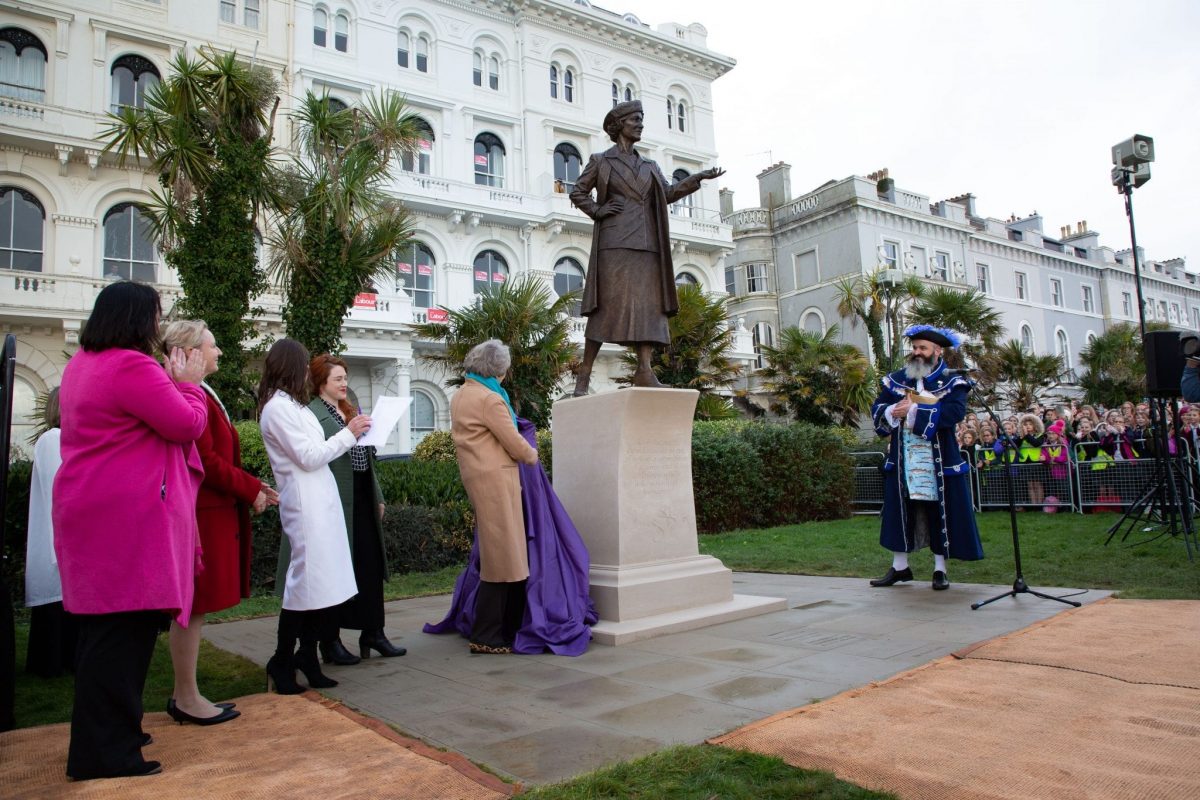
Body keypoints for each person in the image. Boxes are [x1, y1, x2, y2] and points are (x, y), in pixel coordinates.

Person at [54, 281, 207, 780]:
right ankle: (108, 754)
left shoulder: (82, 363)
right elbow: (185, 424)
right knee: (124, 635)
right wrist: (189, 383)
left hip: (88, 509)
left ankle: (108, 737)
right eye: (156, 315)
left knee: (103, 635)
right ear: (138, 318)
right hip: (126, 519)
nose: (159, 325)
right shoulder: (131, 365)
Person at [160, 321, 277, 726]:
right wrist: (249, 488)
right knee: (191, 608)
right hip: (202, 516)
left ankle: (185, 693)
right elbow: (207, 462)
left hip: (213, 513)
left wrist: (251, 487)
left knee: (197, 609)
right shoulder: (186, 393)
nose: (219, 353)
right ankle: (186, 697)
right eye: (212, 346)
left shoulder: (203, 393)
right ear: (190, 352)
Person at [568, 99, 724, 395]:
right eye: (634, 119)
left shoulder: (649, 165)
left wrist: (697, 179)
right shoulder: (601, 161)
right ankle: (584, 375)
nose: (640, 124)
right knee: (606, 308)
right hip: (614, 245)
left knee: (649, 309)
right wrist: (598, 210)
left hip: (648, 245)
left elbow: (666, 194)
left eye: (642, 119)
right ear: (618, 126)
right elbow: (578, 191)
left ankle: (644, 370)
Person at [258, 339, 370, 693]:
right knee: (304, 584)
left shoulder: (297, 406)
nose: (308, 371)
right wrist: (348, 435)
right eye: (303, 364)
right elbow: (308, 456)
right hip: (304, 503)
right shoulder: (277, 409)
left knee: (322, 584)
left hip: (321, 499)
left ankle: (306, 654)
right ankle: (282, 658)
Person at [869, 325, 983, 591]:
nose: (917, 353)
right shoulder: (897, 380)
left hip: (938, 461)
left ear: (937, 351)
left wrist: (914, 411)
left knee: (938, 512)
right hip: (903, 460)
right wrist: (892, 411)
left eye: (923, 348)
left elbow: (953, 413)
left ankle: (940, 569)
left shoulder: (953, 381)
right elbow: (879, 406)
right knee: (901, 512)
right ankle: (900, 567)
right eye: (915, 347)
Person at [307, 355, 405, 664]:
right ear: (321, 381)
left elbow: (367, 456)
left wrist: (377, 495)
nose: (344, 383)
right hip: (337, 497)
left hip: (362, 491)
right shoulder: (314, 414)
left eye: (345, 378)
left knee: (370, 564)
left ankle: (374, 632)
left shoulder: (350, 409)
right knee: (338, 567)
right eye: (337, 379)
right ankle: (329, 639)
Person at [447, 340, 540, 653]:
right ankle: (488, 635)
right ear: (500, 369)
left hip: (479, 477)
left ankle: (501, 629)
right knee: (504, 557)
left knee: (501, 552)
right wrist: (533, 454)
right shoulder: (490, 399)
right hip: (497, 480)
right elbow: (514, 443)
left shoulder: (463, 394)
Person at [24, 388, 77, 678]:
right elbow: (60, 490)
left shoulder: (58, 440)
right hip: (56, 538)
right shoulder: (53, 440)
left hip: (60, 536)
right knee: (56, 606)